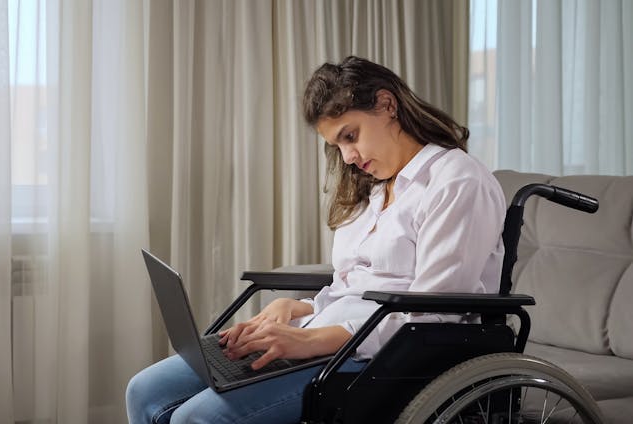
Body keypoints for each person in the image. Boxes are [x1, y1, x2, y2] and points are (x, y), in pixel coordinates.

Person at [126, 55, 506, 424]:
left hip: (382, 358)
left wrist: (311, 342)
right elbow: (351, 289)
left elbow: (431, 318)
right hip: (324, 338)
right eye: (337, 145)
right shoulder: (373, 191)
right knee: (143, 391)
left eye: (350, 136)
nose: (349, 156)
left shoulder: (456, 182)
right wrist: (299, 309)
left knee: (199, 417)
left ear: (387, 105)